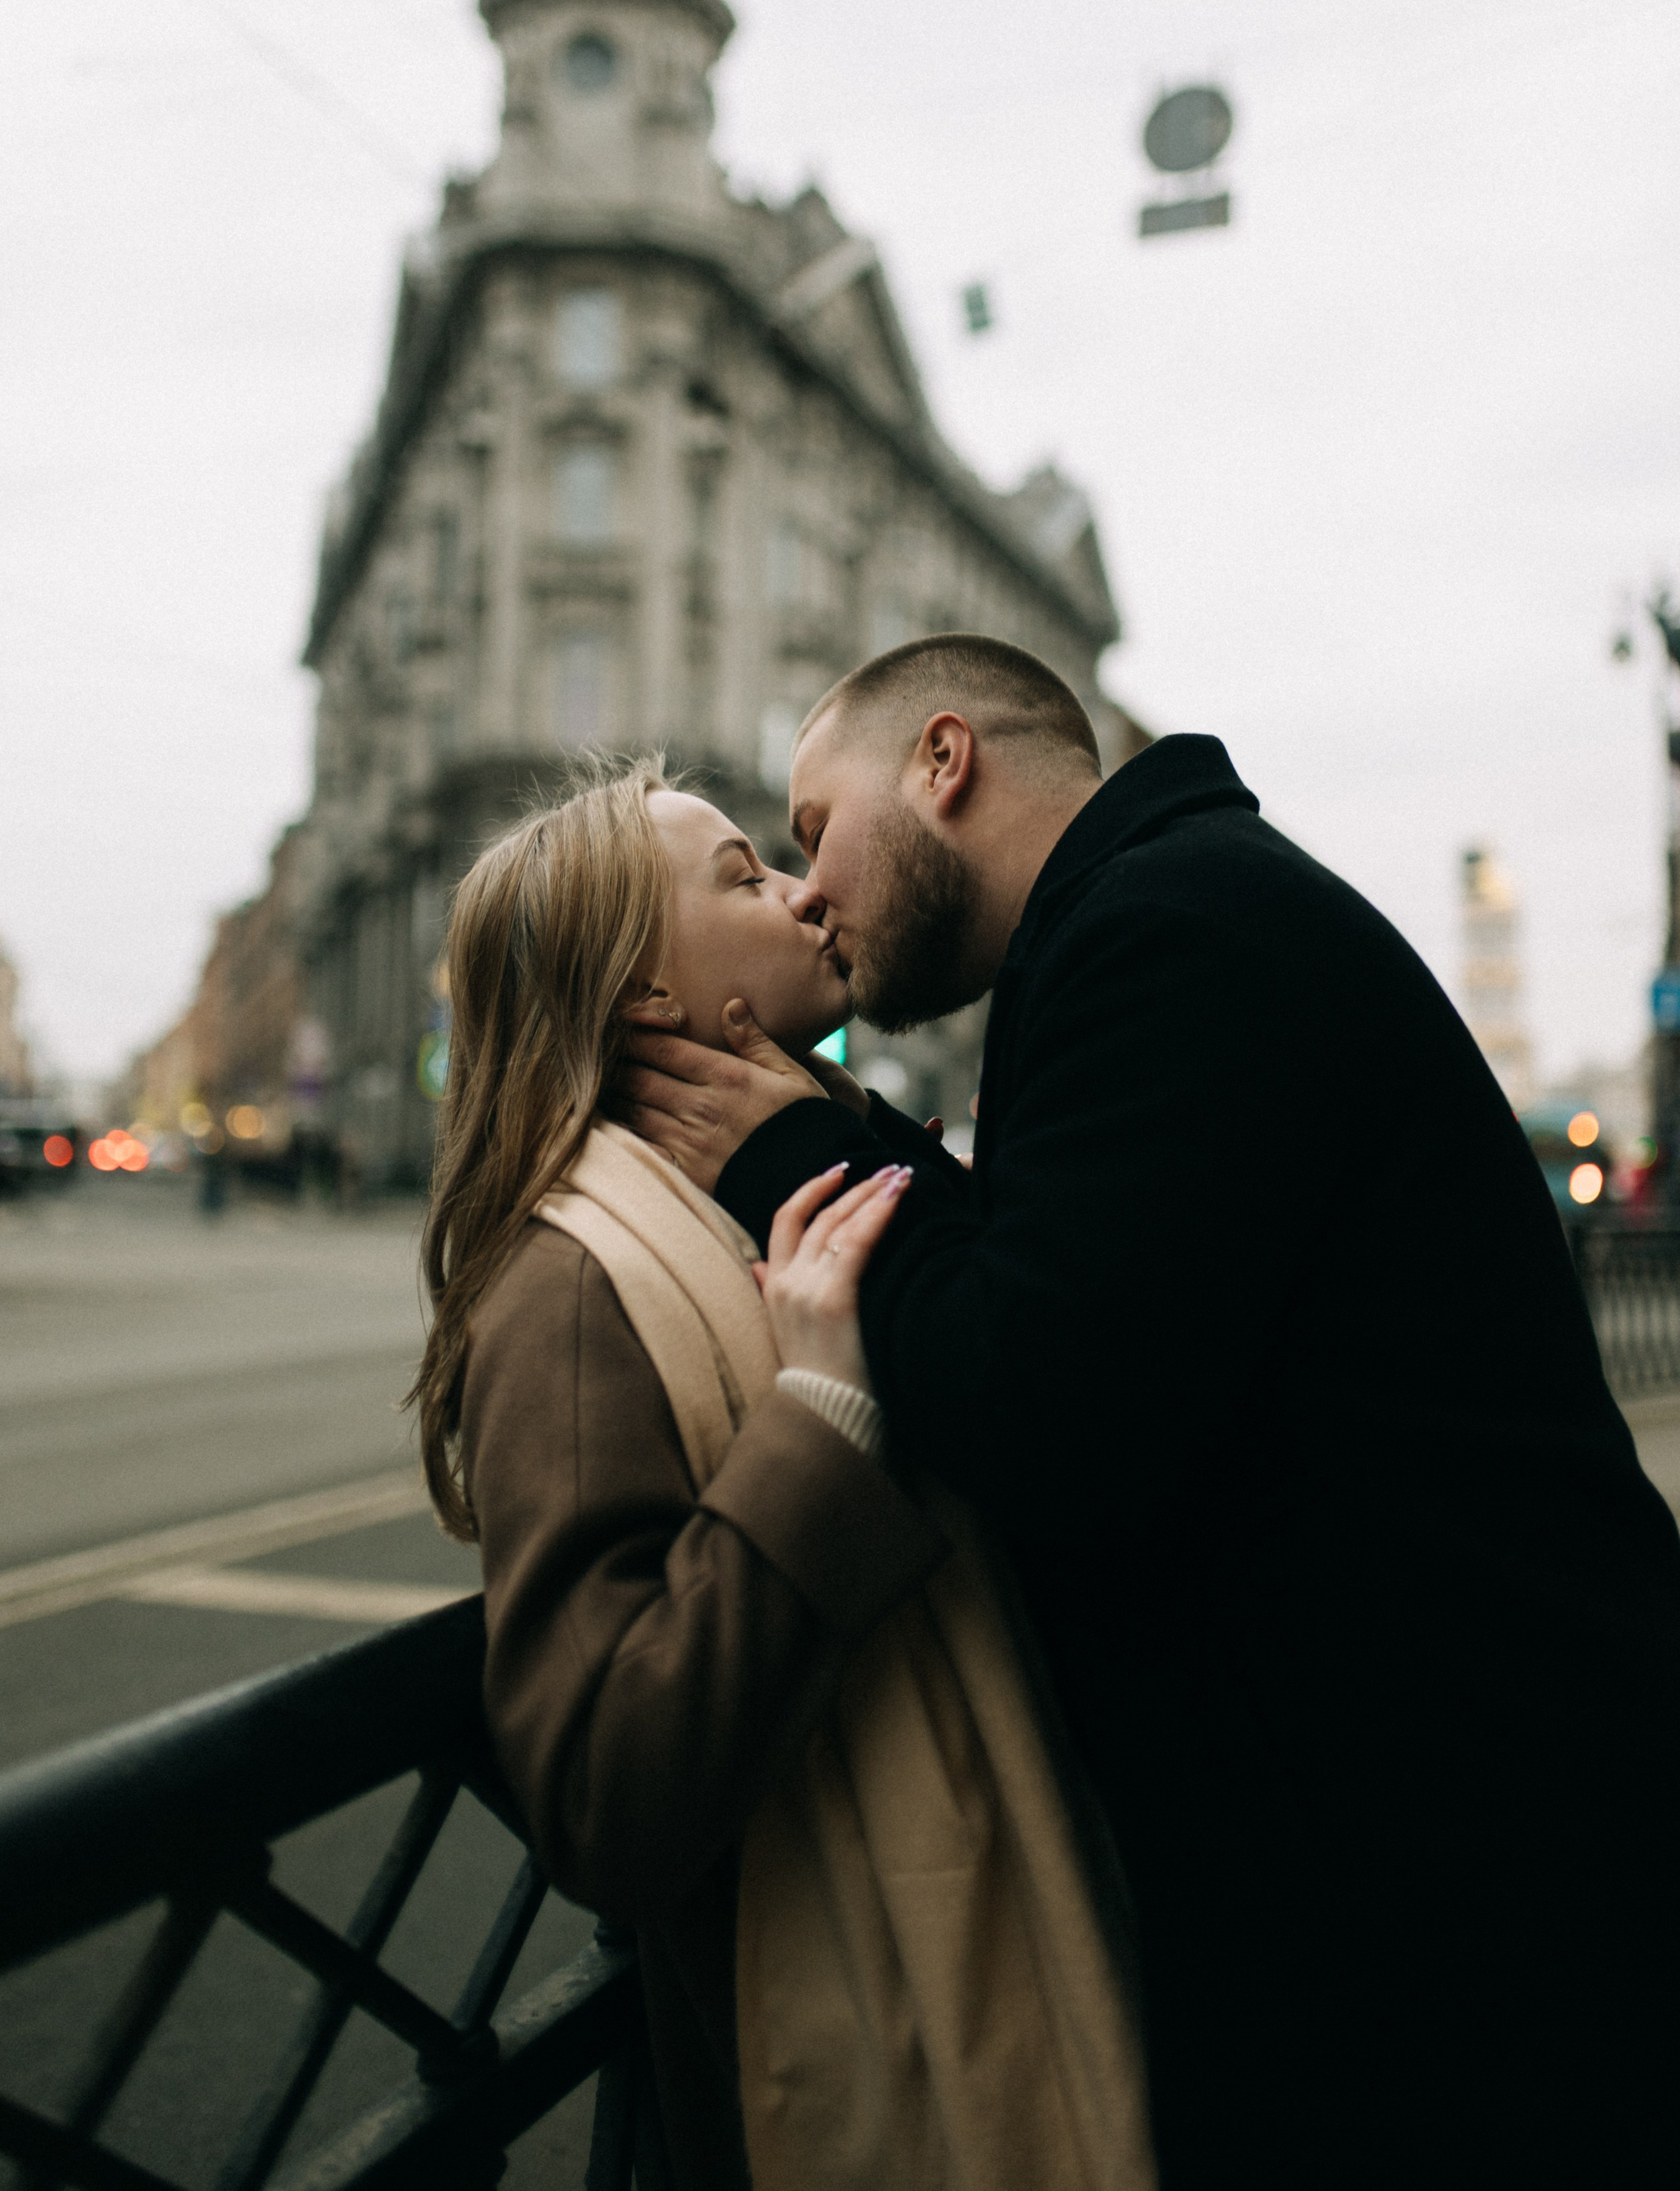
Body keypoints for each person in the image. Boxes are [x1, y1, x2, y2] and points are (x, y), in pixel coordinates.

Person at [618, 633, 1680, 2191]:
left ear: (942, 761)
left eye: (812, 830)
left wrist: (787, 1155)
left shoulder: (1165, 932)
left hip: (1475, 1899)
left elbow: (1042, 1415)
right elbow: (1081, 1282)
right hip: (1467, 1852)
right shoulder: (1164, 909)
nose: (810, 892)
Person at [412, 758, 1157, 2191]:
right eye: (743, 877)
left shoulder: (808, 1175)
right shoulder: (572, 1286)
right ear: (644, 993)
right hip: (832, 2055)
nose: (806, 893)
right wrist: (821, 1414)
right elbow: (601, 1792)